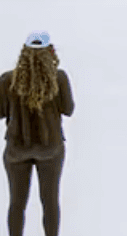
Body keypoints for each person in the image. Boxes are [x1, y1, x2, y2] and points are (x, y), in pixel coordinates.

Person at [2, 31, 72, 236]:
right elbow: (68, 109)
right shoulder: (59, 78)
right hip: (50, 148)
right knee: (50, 202)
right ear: (50, 51)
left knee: (16, 203)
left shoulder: (8, 79)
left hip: (17, 149)